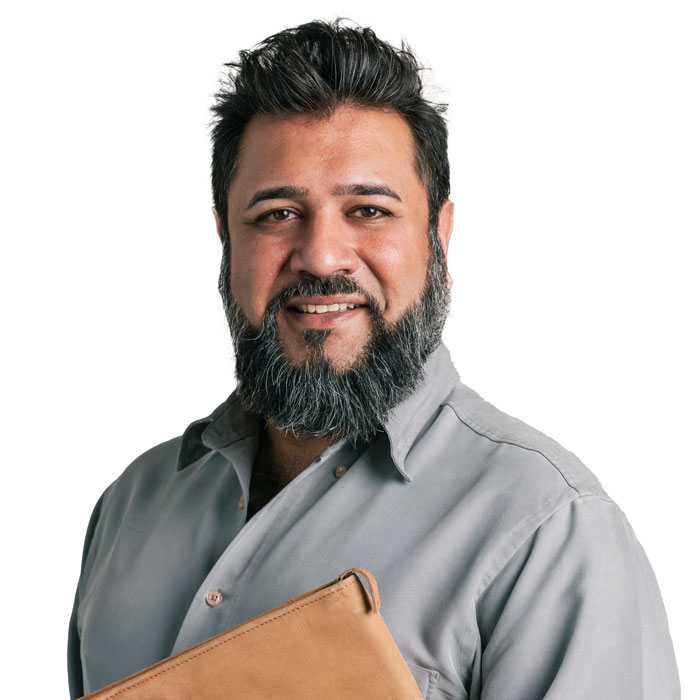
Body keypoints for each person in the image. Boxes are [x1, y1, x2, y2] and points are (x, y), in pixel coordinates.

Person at [68, 19, 679, 700]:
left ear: (439, 236)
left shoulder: (549, 528)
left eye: (368, 210)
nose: (322, 256)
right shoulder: (132, 506)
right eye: (277, 214)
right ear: (225, 239)